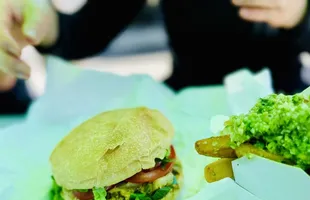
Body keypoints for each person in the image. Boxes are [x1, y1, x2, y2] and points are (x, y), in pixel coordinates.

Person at [0, 0, 309, 114]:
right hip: (185, 107)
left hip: (286, 103)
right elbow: (82, 34)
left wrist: (301, 13)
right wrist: (37, 17)